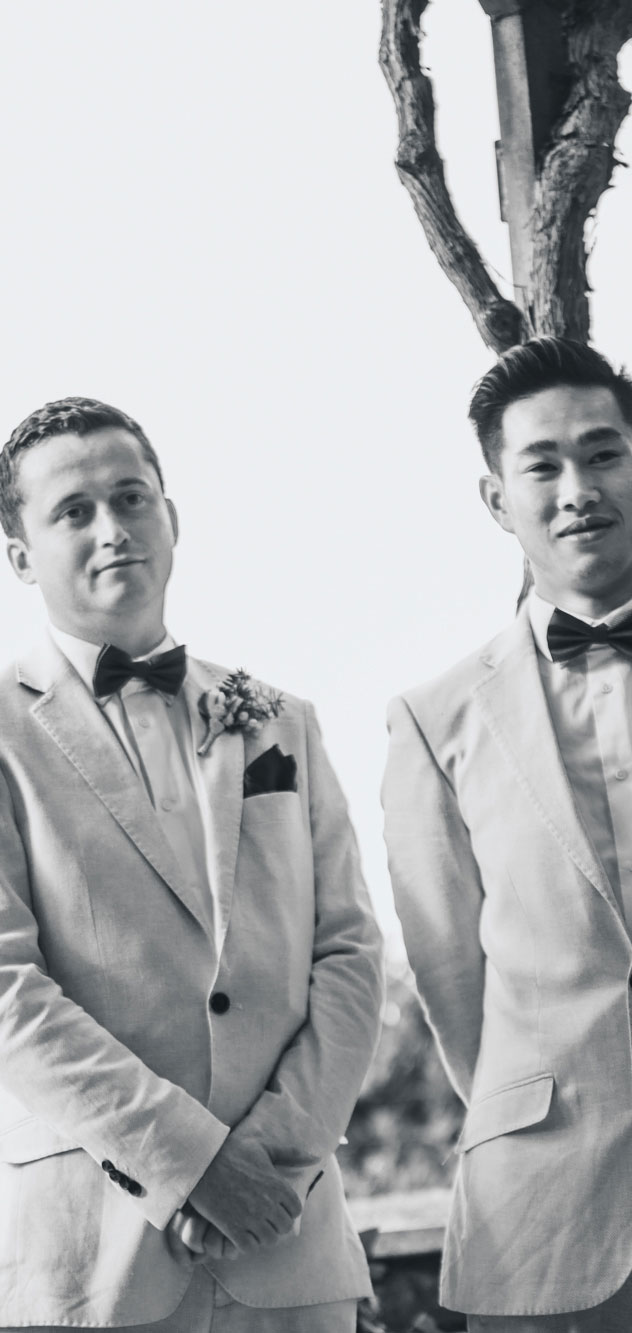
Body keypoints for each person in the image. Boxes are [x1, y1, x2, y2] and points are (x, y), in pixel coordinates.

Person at [0, 398, 383, 1331]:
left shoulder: (283, 720)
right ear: (19, 555)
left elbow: (352, 955)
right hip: (80, 1265)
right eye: (73, 511)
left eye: (131, 498)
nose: (112, 528)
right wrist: (193, 1162)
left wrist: (276, 1157)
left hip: (289, 1251)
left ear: (172, 515)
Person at [384, 336, 632, 1330]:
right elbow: (450, 981)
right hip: (541, 1205)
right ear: (497, 498)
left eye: (602, 452)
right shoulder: (432, 718)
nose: (577, 486)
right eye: (541, 463)